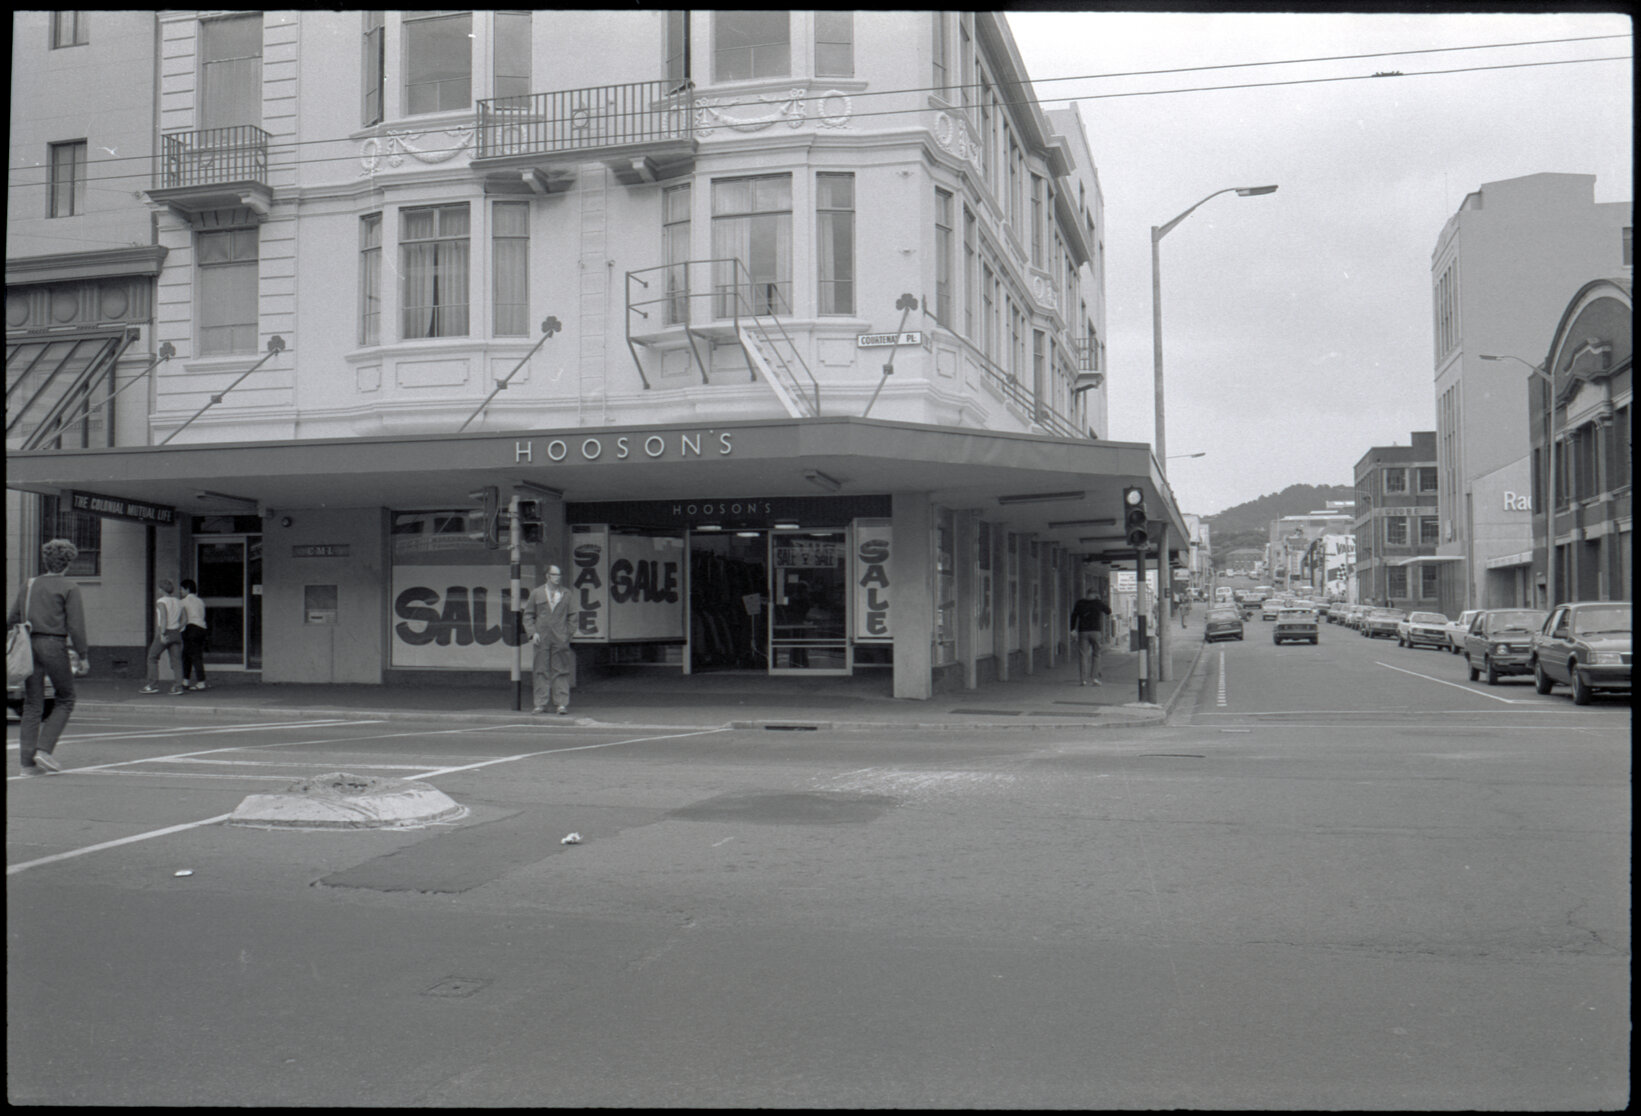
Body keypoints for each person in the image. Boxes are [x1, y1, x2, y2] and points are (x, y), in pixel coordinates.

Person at [8, 539, 88, 775]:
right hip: (54, 644)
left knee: (33, 703)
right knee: (66, 698)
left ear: (45, 560)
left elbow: (12, 617)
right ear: (68, 562)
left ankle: (27, 764)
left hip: (29, 645)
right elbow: (76, 626)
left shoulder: (29, 584)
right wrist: (83, 655)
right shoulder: (70, 587)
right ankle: (44, 749)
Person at [522, 563, 573, 715]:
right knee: (540, 670)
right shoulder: (536, 593)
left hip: (560, 637)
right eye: (554, 575)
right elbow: (528, 615)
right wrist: (532, 633)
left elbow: (573, 616)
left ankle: (561, 704)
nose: (557, 578)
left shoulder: (566, 594)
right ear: (547, 576)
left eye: (559, 575)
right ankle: (540, 703)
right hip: (541, 637)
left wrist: (567, 634)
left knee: (561, 670)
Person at [139, 578, 186, 695]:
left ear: (161, 589)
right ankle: (178, 686)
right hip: (176, 632)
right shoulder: (179, 601)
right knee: (176, 661)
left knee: (152, 657)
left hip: (165, 631)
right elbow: (185, 619)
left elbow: (163, 618)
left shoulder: (161, 601)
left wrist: (162, 633)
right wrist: (177, 628)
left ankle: (152, 685)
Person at [1069, 586, 1112, 686]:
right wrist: (1100, 600)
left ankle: (1083, 680)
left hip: (1083, 631)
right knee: (1096, 655)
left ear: (1087, 594)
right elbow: (1108, 611)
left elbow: (1073, 616)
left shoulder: (1080, 603)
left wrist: (1072, 629)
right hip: (1095, 632)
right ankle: (1094, 678)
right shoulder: (1098, 603)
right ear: (1095, 594)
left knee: (1083, 655)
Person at [178, 578, 209, 691]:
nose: (181, 592)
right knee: (195, 654)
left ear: (187, 589)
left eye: (182, 589)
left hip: (190, 629)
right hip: (201, 628)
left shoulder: (183, 602)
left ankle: (197, 681)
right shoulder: (200, 601)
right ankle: (190, 681)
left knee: (188, 656)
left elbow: (181, 617)